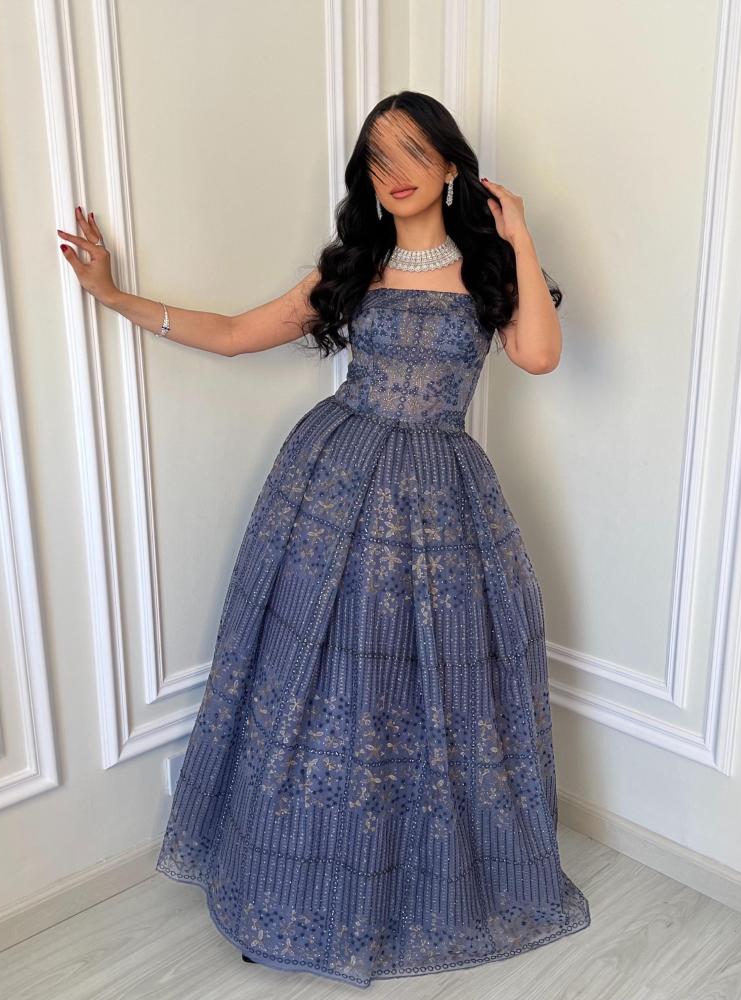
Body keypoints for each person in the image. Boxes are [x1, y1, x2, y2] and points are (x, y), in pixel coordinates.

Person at [58, 90, 590, 990]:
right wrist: (111, 295)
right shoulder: (354, 266)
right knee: (318, 688)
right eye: (378, 157)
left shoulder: (492, 269)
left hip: (440, 501)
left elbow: (539, 354)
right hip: (330, 486)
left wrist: (521, 237)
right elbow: (236, 334)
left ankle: (403, 887)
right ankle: (288, 883)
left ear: (450, 163)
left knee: (426, 691)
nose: (395, 172)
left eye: (413, 151)